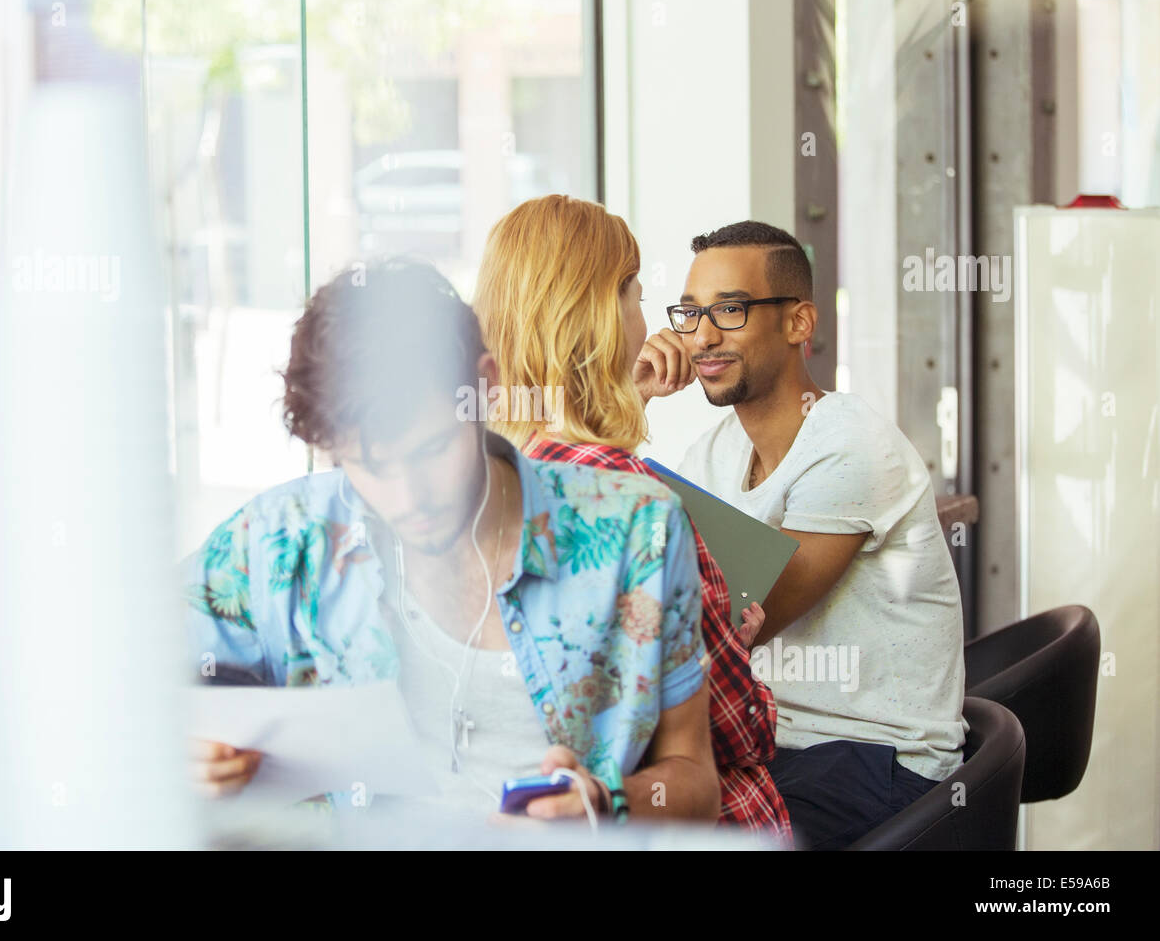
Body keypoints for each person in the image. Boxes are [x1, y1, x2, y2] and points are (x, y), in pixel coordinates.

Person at [185, 257, 720, 825]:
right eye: (368, 467)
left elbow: (696, 781)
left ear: (485, 388)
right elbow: (114, 675)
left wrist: (604, 805)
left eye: (430, 451)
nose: (407, 497)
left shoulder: (637, 530)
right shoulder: (279, 540)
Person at [637, 220, 967, 850]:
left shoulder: (849, 441)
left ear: (798, 323)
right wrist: (631, 401)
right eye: (690, 313)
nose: (702, 336)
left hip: (875, 761)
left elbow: (744, 617)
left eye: (730, 310)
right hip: (772, 746)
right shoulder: (715, 453)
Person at [471, 194, 791, 841]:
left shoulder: (480, 485)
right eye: (637, 296)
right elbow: (740, 732)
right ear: (602, 315)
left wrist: (624, 396)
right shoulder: (640, 505)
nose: (653, 324)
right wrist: (726, 639)